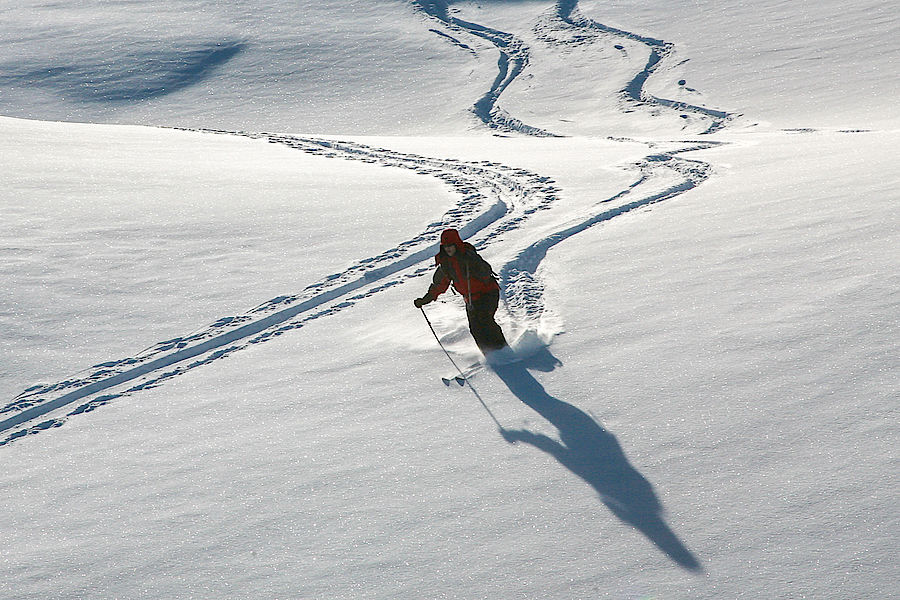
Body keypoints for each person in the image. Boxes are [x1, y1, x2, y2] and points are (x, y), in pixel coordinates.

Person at [414, 228, 508, 354]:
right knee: (475, 328)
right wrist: (424, 300)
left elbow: (486, 272)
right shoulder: (445, 265)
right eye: (445, 246)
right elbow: (438, 286)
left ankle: (503, 350)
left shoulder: (468, 256)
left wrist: (474, 263)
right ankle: (489, 354)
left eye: (450, 245)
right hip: (470, 299)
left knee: (485, 319)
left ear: (456, 244)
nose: (448, 249)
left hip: (488, 293)